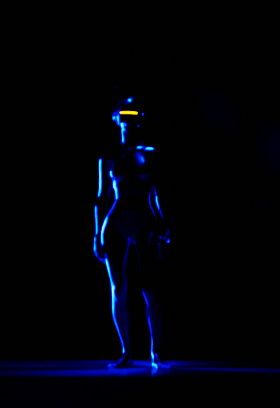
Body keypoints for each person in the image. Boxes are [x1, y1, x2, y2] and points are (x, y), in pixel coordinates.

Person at [93, 87, 171, 370]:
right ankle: (126, 350)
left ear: (140, 120)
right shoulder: (110, 156)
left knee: (150, 288)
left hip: (145, 221)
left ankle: (155, 351)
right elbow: (101, 197)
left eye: (134, 116)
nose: (129, 122)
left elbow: (160, 194)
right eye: (125, 116)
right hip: (116, 222)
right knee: (119, 288)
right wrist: (96, 234)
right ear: (117, 119)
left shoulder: (151, 154)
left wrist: (165, 227)